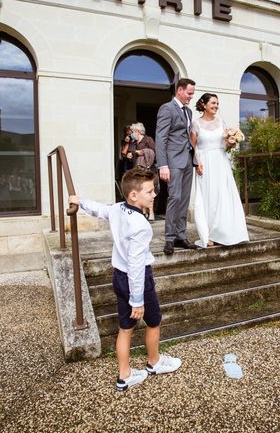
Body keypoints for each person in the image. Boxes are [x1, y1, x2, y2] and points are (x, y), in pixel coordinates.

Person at [68, 168, 181, 391]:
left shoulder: (118, 209)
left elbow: (99, 209)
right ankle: (154, 362)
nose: (154, 195)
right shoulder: (140, 226)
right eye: (150, 191)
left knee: (125, 329)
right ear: (133, 196)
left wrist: (80, 202)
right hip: (136, 280)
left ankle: (124, 375)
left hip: (119, 277)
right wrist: (137, 299)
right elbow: (137, 266)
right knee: (154, 321)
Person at [190, 93, 249, 248]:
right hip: (205, 164)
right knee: (208, 198)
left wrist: (231, 142)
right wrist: (197, 163)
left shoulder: (221, 122)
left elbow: (225, 146)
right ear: (204, 104)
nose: (216, 106)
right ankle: (207, 235)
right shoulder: (196, 124)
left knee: (223, 196)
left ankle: (225, 233)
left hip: (221, 162)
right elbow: (193, 147)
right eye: (213, 103)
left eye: (217, 103)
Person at [155, 78, 199, 254]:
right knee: (174, 197)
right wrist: (162, 165)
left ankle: (181, 236)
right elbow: (161, 138)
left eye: (192, 94)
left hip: (188, 160)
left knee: (185, 199)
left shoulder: (188, 111)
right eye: (189, 93)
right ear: (179, 90)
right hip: (173, 162)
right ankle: (169, 238)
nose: (191, 97)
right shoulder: (167, 108)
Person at [127, 122, 159, 220]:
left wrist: (142, 152)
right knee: (140, 191)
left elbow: (154, 153)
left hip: (149, 170)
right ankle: (143, 212)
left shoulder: (148, 140)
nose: (131, 134)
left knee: (149, 191)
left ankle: (151, 212)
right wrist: (130, 155)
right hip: (137, 170)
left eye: (132, 132)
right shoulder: (133, 142)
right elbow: (130, 153)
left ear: (138, 132)